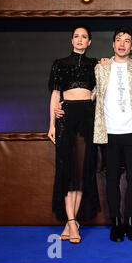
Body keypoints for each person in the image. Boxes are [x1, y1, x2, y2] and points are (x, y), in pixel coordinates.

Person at [93, 26, 132, 242]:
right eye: (118, 40)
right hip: (109, 133)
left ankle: (129, 222)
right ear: (113, 44)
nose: (122, 44)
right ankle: (115, 223)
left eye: (127, 40)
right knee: (112, 179)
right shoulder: (101, 68)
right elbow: (94, 93)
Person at [48, 25, 100, 244]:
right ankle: (71, 221)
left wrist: (105, 66)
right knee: (67, 171)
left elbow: (100, 93)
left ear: (89, 42)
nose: (80, 40)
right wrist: (51, 123)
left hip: (88, 117)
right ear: (71, 40)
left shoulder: (96, 65)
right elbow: (55, 95)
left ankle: (72, 221)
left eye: (84, 37)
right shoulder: (59, 64)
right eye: (76, 36)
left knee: (81, 170)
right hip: (66, 116)